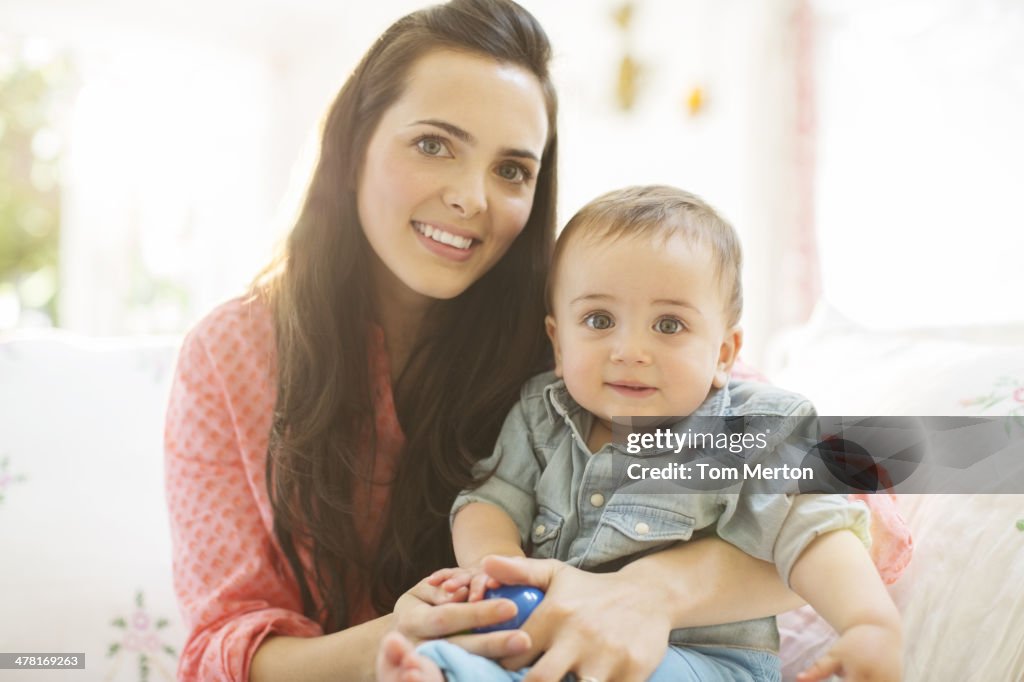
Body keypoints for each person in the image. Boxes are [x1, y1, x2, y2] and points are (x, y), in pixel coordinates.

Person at [164, 2, 908, 680]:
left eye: (511, 169)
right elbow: (222, 650)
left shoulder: (593, 328)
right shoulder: (233, 356)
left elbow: (858, 513)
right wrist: (412, 634)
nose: (471, 197)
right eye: (433, 144)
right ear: (352, 143)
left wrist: (648, 591)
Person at [377, 186, 902, 682]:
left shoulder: (751, 429)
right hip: (553, 637)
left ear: (723, 354)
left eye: (669, 325)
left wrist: (868, 624)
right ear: (558, 346)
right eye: (600, 319)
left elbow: (812, 530)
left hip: (701, 661)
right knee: (479, 653)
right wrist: (493, 568)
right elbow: (492, 497)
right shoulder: (542, 414)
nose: (629, 349)